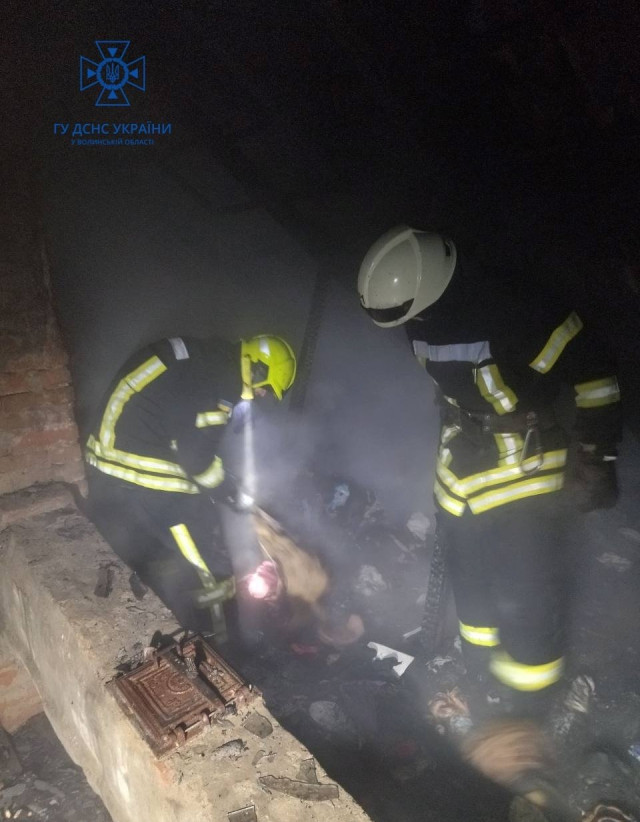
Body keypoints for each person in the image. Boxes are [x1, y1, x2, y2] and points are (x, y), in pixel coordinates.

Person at [357, 226, 622, 725]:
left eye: (412, 314)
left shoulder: (519, 315)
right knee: (473, 595)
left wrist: (596, 456)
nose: (410, 326)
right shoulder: (421, 318)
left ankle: (528, 708)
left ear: (431, 288)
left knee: (527, 600)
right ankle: (481, 677)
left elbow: (597, 378)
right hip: (462, 472)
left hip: (525, 474)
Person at [85, 333, 296, 634]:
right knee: (202, 548)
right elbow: (196, 460)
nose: (260, 395)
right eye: (265, 389)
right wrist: (229, 491)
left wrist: (223, 483)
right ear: (258, 369)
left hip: (113, 445)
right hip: (126, 457)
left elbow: (188, 436)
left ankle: (167, 583)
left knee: (197, 496)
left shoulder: (211, 359)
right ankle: (215, 630)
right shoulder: (223, 380)